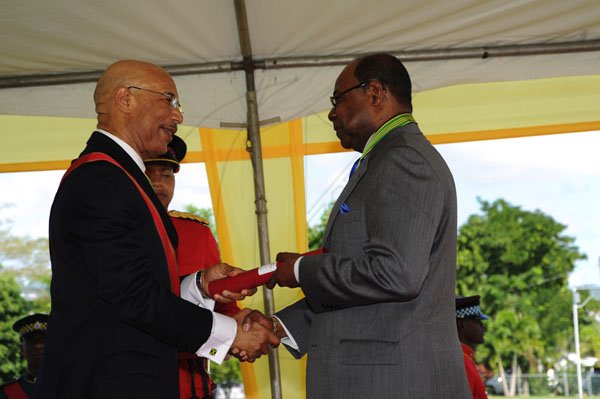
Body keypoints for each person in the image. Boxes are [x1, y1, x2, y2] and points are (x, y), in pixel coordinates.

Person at [34, 60, 278, 399]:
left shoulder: (120, 177)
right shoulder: (101, 179)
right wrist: (230, 333)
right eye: (170, 100)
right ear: (126, 100)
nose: (178, 116)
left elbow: (119, 291)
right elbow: (134, 298)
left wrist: (199, 286)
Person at [244, 53, 471, 398]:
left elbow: (396, 273)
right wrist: (280, 326)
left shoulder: (403, 160)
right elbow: (368, 291)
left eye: (338, 99)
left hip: (395, 385)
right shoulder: (387, 160)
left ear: (375, 93)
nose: (333, 112)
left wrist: (303, 270)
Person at [144, 135, 240, 399]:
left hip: (191, 382)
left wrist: (245, 326)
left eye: (166, 174)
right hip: (135, 374)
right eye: (148, 173)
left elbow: (224, 305)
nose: (158, 182)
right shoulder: (117, 231)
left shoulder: (196, 232)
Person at [1, 314, 48, 399]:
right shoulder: (5, 393)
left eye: (44, 341)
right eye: (32, 342)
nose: (38, 346)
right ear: (22, 349)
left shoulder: (69, 387)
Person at [456, 295, 489, 399]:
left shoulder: (465, 358)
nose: (482, 326)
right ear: (462, 324)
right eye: (476, 320)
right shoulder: (460, 363)